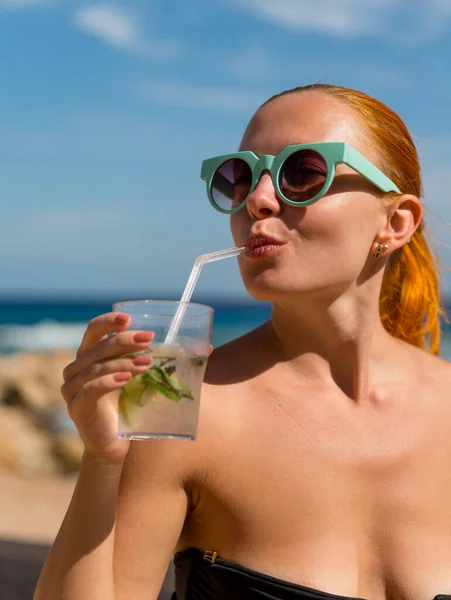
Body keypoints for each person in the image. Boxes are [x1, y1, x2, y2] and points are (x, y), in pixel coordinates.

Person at [34, 84, 451, 600]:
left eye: (303, 173)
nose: (256, 199)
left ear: (395, 221)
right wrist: (103, 463)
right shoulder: (184, 406)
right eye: (240, 178)